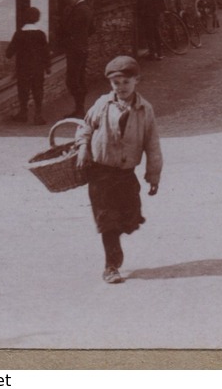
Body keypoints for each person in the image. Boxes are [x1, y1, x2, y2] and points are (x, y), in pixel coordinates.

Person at [76, 55, 162, 285]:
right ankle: (111, 265)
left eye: (126, 82)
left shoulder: (145, 110)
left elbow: (152, 144)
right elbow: (85, 127)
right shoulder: (102, 104)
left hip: (125, 173)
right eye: (116, 83)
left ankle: (115, 247)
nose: (121, 87)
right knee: (107, 219)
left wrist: (153, 174)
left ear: (137, 81)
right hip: (100, 171)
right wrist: (83, 147)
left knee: (130, 217)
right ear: (110, 84)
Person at [54, 0, 94, 117]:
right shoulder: (87, 9)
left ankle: (79, 109)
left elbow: (68, 28)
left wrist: (62, 21)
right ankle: (80, 108)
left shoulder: (79, 10)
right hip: (82, 47)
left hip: (75, 48)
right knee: (79, 78)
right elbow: (93, 29)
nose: (68, 0)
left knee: (72, 80)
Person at [6, 6, 49, 124]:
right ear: (37, 18)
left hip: (23, 68)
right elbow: (45, 52)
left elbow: (9, 53)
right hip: (37, 68)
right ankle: (38, 115)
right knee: (38, 90)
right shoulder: (41, 34)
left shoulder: (19, 34)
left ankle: (23, 113)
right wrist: (48, 66)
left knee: (23, 90)